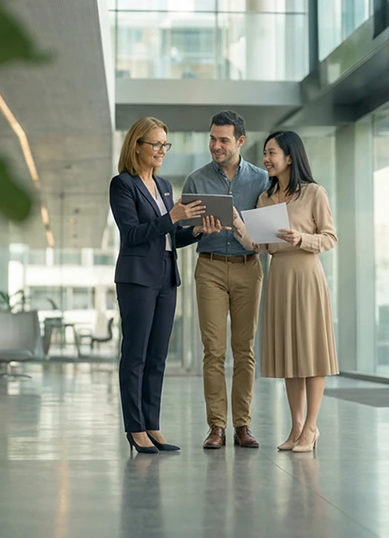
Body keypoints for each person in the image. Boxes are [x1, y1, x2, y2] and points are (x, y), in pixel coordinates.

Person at [110, 117, 223, 455]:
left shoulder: (164, 187)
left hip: (164, 276)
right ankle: (135, 428)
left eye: (164, 145)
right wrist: (171, 217)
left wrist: (198, 231)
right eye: (156, 144)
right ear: (137, 146)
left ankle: (152, 425)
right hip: (136, 278)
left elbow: (170, 236)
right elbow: (132, 234)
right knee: (136, 354)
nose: (161, 151)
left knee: (158, 356)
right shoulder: (123, 185)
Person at [232, 130, 338, 453]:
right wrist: (239, 227)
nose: (266, 159)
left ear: (289, 156)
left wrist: (301, 239)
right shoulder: (265, 199)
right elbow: (260, 245)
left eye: (272, 153)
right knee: (291, 355)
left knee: (311, 354)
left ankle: (311, 428)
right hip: (278, 275)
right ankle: (295, 428)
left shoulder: (314, 193)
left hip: (306, 275)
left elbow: (330, 238)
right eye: (265, 153)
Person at [182, 111, 269, 449]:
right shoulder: (196, 180)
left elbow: (265, 234)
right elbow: (181, 228)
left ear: (240, 142)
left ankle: (242, 426)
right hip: (211, 267)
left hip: (249, 266)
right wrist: (197, 228)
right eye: (212, 139)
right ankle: (216, 426)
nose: (215, 146)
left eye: (223, 140)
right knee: (213, 351)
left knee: (244, 350)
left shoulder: (262, 180)